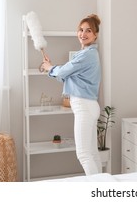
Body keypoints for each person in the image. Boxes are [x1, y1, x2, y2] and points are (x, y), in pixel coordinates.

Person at [41, 14, 102, 175]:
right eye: (81, 30)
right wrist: (51, 67)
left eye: (88, 31)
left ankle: (97, 191)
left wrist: (50, 68)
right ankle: (101, 187)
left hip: (84, 106)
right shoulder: (88, 54)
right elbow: (67, 77)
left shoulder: (87, 55)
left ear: (95, 34)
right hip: (89, 105)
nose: (83, 34)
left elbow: (64, 71)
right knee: (92, 154)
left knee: (83, 154)